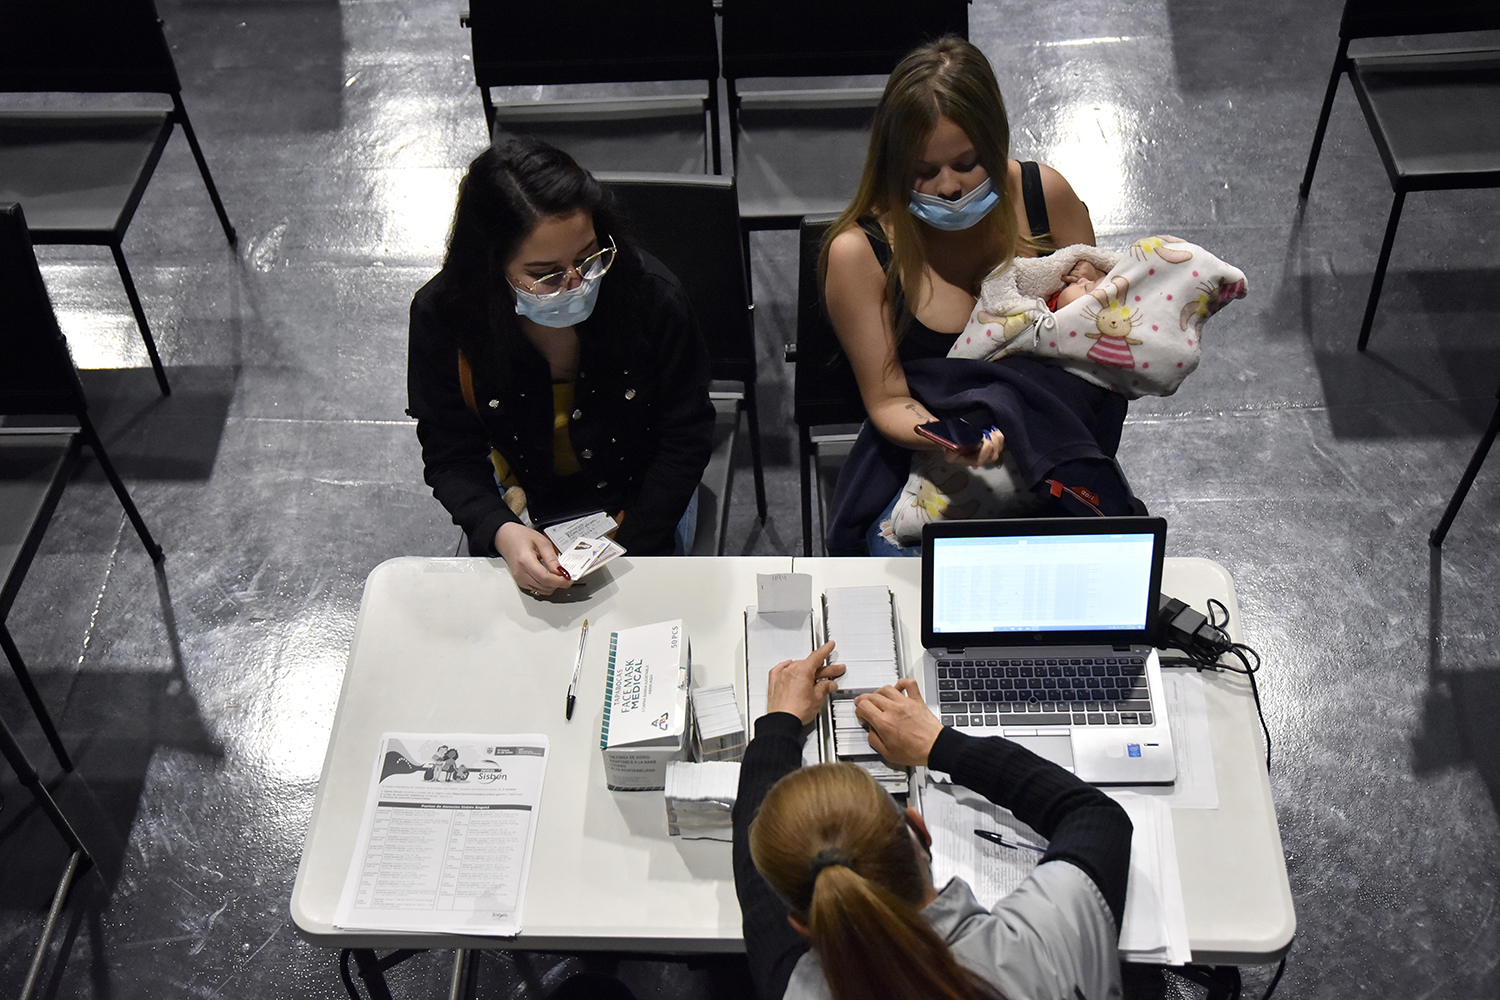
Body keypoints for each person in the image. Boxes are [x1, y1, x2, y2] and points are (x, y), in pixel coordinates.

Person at [819, 36, 1138, 554]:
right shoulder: (858, 254)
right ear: (893, 164)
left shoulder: (1046, 199)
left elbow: (1094, 345)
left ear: (995, 142)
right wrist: (950, 440)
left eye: (967, 163)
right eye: (924, 171)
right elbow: (890, 398)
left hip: (1052, 447)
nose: (947, 187)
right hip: (924, 470)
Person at [732, 644, 1132, 1000]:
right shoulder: (1045, 951)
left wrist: (778, 723)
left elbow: (756, 880)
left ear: (800, 924)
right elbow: (1093, 816)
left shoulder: (791, 985)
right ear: (919, 831)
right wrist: (939, 744)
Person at [408, 138, 715, 595]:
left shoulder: (651, 298)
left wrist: (628, 545)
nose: (576, 284)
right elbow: (450, 453)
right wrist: (501, 530)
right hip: (521, 503)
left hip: (638, 500)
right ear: (492, 265)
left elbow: (685, 437)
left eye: (588, 256)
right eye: (545, 273)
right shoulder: (445, 315)